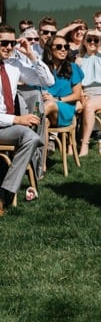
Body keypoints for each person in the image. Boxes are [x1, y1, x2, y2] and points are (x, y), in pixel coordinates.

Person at [0, 24, 51, 213]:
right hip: (7, 123)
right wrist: (16, 120)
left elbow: (47, 81)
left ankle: (5, 191)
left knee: (31, 137)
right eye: (3, 42)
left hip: (5, 126)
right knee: (27, 131)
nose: (8, 47)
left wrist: (31, 55)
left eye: (12, 43)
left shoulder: (14, 65)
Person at [75, 32, 101, 156]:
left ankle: (84, 144)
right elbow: (77, 81)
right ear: (84, 42)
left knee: (90, 105)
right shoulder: (79, 60)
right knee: (73, 107)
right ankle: (71, 143)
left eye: (96, 40)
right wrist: (80, 94)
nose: (92, 42)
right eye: (89, 40)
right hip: (85, 92)